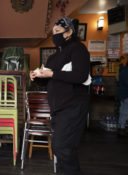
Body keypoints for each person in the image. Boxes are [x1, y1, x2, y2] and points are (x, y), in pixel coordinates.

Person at [30, 17, 90, 175]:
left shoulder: (78, 49)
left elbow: (81, 76)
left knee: (61, 146)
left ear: (69, 32)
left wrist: (53, 73)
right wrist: (38, 77)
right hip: (57, 108)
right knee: (63, 148)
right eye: (53, 32)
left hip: (73, 105)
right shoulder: (53, 57)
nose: (54, 35)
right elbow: (48, 81)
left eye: (58, 31)